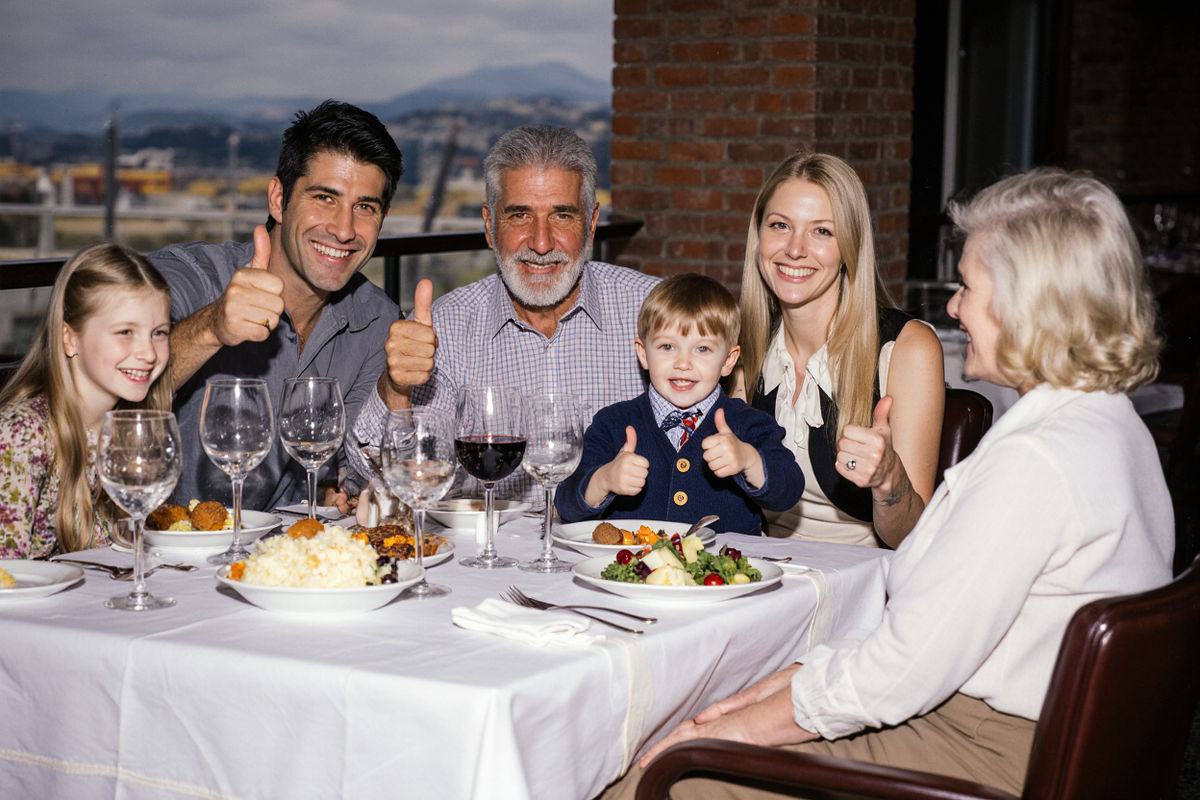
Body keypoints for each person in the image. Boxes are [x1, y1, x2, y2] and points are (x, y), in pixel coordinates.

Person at [600, 168, 1174, 800]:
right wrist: (788, 680)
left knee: (647, 776)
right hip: (1004, 725)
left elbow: (897, 675)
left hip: (981, 749)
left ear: (1027, 302)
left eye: (967, 287)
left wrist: (721, 738)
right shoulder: (1112, 428)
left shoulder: (1038, 463)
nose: (953, 307)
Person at [353, 126, 660, 505]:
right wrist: (395, 388)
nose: (541, 242)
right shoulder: (448, 325)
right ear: (489, 225)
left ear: (592, 222)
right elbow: (376, 475)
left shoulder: (653, 310)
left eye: (562, 215)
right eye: (519, 215)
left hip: (622, 554)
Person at [149, 100, 403, 511]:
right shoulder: (188, 277)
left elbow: (354, 474)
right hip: (158, 556)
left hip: (283, 560)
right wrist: (211, 327)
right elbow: (101, 394)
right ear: (277, 197)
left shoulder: (377, 321)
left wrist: (397, 392)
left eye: (365, 207)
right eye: (324, 197)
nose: (343, 230)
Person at [735, 152, 944, 549]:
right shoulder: (742, 346)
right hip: (759, 575)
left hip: (861, 585)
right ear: (759, 236)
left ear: (849, 245)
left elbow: (917, 541)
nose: (795, 249)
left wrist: (889, 480)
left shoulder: (908, 348)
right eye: (780, 225)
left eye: (822, 232)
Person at [556, 274, 804, 535]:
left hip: (722, 572)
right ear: (643, 353)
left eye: (703, 349)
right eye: (667, 347)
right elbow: (566, 502)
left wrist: (748, 460)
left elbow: (789, 490)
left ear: (729, 360)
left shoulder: (749, 423)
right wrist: (604, 480)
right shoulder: (613, 423)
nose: (683, 363)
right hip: (634, 571)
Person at [0, 243, 173, 558]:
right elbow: (7, 577)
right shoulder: (22, 436)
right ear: (69, 337)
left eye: (158, 333)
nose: (148, 353)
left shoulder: (131, 427)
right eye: (125, 332)